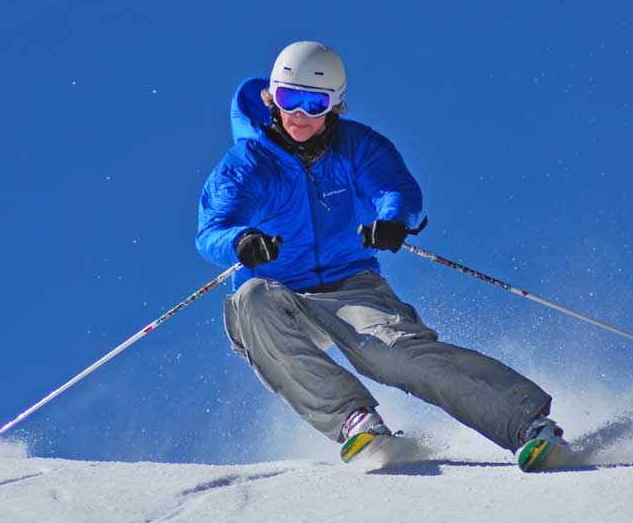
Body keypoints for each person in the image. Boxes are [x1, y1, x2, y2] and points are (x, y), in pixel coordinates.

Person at [196, 41, 566, 469]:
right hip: (276, 292)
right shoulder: (248, 161)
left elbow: (396, 189)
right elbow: (212, 230)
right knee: (250, 302)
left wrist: (393, 220)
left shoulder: (357, 146)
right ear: (272, 97)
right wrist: (241, 242)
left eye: (313, 104)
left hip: (350, 285)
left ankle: (526, 425)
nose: (298, 114)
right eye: (287, 99)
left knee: (392, 352)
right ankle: (354, 420)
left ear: (335, 106)